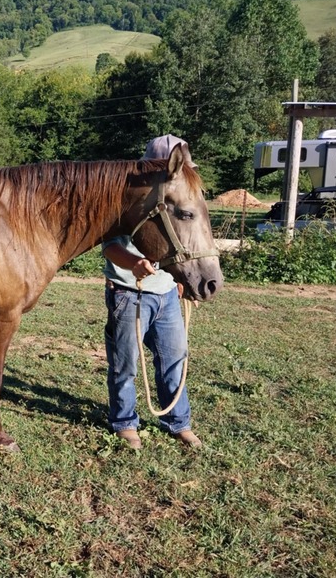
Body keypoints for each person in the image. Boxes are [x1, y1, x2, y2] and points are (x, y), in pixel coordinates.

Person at [101, 134, 201, 450]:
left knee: (174, 360)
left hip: (167, 294)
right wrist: (135, 263)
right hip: (129, 293)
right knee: (125, 363)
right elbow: (110, 248)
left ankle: (177, 422)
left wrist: (181, 279)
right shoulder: (126, 199)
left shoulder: (173, 202)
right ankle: (125, 424)